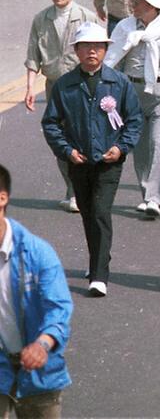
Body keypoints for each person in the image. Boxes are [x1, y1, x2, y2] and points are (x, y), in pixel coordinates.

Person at [42, 23, 143, 297]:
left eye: (98, 47)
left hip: (109, 162)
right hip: (78, 161)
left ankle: (99, 275)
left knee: (100, 211)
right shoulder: (65, 85)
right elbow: (51, 123)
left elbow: (134, 120)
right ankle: (98, 258)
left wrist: (121, 148)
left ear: (106, 50)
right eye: (86, 46)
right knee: (88, 213)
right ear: (76, 50)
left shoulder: (118, 83)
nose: (92, 52)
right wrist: (67, 151)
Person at [104, 0, 160, 218]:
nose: (133, 5)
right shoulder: (125, 28)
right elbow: (113, 60)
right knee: (139, 148)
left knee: (158, 145)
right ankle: (146, 193)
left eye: (138, 1)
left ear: (152, 5)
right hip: (132, 93)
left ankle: (153, 199)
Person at [0, 165, 73, 418]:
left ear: (2, 198)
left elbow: (59, 309)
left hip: (38, 373)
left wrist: (42, 344)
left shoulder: (37, 253)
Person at [25, 0, 98, 213]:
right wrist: (29, 88)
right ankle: (73, 189)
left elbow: (100, 54)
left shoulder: (86, 17)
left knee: (83, 136)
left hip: (82, 85)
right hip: (54, 86)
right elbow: (33, 56)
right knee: (59, 140)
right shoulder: (41, 19)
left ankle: (83, 188)